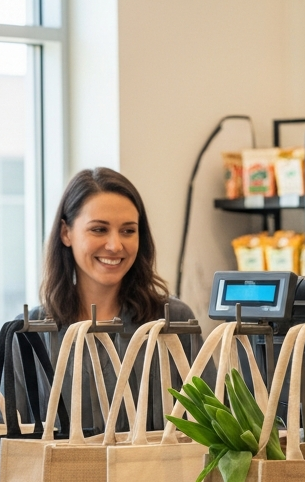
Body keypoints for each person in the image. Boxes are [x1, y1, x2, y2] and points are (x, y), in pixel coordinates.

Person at [18, 167, 198, 432]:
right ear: (66, 233)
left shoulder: (173, 320)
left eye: (128, 231)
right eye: (99, 229)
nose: (115, 245)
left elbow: (211, 423)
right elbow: (3, 436)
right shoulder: (29, 331)